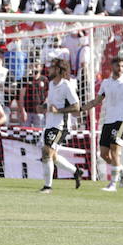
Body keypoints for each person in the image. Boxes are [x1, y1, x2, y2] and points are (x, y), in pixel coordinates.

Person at [85, 58, 123, 191]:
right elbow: (97, 100)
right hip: (108, 120)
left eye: (122, 66)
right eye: (117, 65)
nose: (120, 68)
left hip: (120, 120)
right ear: (112, 66)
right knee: (103, 154)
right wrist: (81, 108)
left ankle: (113, 183)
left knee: (114, 151)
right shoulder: (106, 83)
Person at [37, 57, 83, 193]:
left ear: (57, 69)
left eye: (51, 67)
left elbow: (76, 106)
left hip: (60, 125)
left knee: (46, 151)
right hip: (49, 123)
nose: (49, 69)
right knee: (52, 155)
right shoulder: (51, 84)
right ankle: (76, 172)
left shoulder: (66, 85)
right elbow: (52, 103)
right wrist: (44, 106)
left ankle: (47, 187)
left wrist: (59, 111)